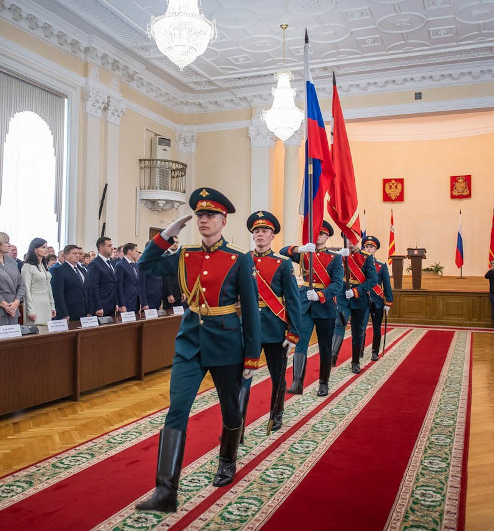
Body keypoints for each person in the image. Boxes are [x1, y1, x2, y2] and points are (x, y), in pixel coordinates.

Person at [135, 187, 260, 513]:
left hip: (227, 344)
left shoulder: (239, 258)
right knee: (177, 410)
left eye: (210, 215)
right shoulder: (185, 254)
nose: (204, 220)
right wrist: (166, 234)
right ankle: (165, 492)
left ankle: (227, 460)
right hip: (190, 344)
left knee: (231, 410)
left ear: (223, 220)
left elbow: (249, 308)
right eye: (200, 215)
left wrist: (251, 354)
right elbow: (145, 266)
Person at [239, 210, 301, 438]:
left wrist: (292, 332)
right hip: (248, 327)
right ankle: (238, 421)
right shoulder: (242, 260)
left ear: (272, 235)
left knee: (277, 375)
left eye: (264, 231)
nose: (260, 235)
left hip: (275, 328)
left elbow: (293, 301)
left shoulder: (283, 264)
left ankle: (276, 413)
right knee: (243, 376)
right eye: (256, 231)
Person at [279, 220, 345, 394]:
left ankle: (323, 382)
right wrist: (299, 249)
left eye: (322, 234)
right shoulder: (305, 253)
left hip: (324, 305)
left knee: (324, 345)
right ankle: (297, 381)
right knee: (300, 343)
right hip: (305, 305)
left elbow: (338, 285)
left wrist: (320, 295)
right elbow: (282, 251)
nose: (318, 236)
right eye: (316, 233)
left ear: (327, 236)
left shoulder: (335, 258)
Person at [334, 236, 378, 374]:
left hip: (359, 299)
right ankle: (332, 355)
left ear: (358, 240)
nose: (350, 242)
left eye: (352, 239)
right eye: (347, 239)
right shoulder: (339, 256)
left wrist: (356, 291)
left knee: (357, 331)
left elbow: (373, 280)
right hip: (342, 298)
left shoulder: (366, 257)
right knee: (339, 324)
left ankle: (355, 361)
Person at [362, 236, 393, 361]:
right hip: (362, 300)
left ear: (375, 249)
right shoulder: (359, 264)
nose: (368, 249)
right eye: (366, 247)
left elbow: (387, 284)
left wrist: (388, 302)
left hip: (377, 301)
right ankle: (359, 351)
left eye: (371, 247)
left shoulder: (381, 266)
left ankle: (375, 351)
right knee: (360, 327)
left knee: (376, 328)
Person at [21, 238, 56, 326]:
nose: (46, 250)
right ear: (35, 249)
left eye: (46, 247)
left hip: (46, 303)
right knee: (37, 330)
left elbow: (49, 287)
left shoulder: (43, 266)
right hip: (35, 303)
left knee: (47, 331)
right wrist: (30, 310)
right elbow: (26, 289)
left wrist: (52, 306)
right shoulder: (27, 266)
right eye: (43, 247)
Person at [51, 244, 89, 321]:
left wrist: (89, 310)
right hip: (70, 311)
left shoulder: (82, 270)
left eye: (78, 253)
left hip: (84, 311)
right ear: (66, 256)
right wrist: (64, 313)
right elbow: (58, 294)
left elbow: (87, 290)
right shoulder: (59, 271)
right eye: (74, 253)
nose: (77, 256)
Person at [87, 237, 118, 317]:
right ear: (101, 248)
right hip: (102, 305)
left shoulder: (109, 262)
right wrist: (98, 306)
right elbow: (93, 287)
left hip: (111, 304)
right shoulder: (95, 264)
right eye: (109, 246)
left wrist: (116, 303)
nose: (112, 248)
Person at [115, 242, 142, 312]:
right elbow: (119, 286)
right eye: (136, 251)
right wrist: (121, 304)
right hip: (127, 301)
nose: (137, 253)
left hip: (136, 300)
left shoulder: (135, 265)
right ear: (129, 252)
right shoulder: (120, 265)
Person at [161, 236, 185, 309]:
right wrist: (169, 294)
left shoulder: (178, 257)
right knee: (169, 318)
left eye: (177, 242)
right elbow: (165, 277)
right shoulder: (165, 257)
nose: (175, 244)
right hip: (170, 294)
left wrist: (183, 291)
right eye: (173, 242)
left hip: (179, 293)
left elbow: (181, 275)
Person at [139, 244, 163, 311]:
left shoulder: (156, 261)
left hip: (157, 297)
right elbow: (141, 284)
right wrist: (144, 303)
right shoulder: (143, 263)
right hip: (149, 299)